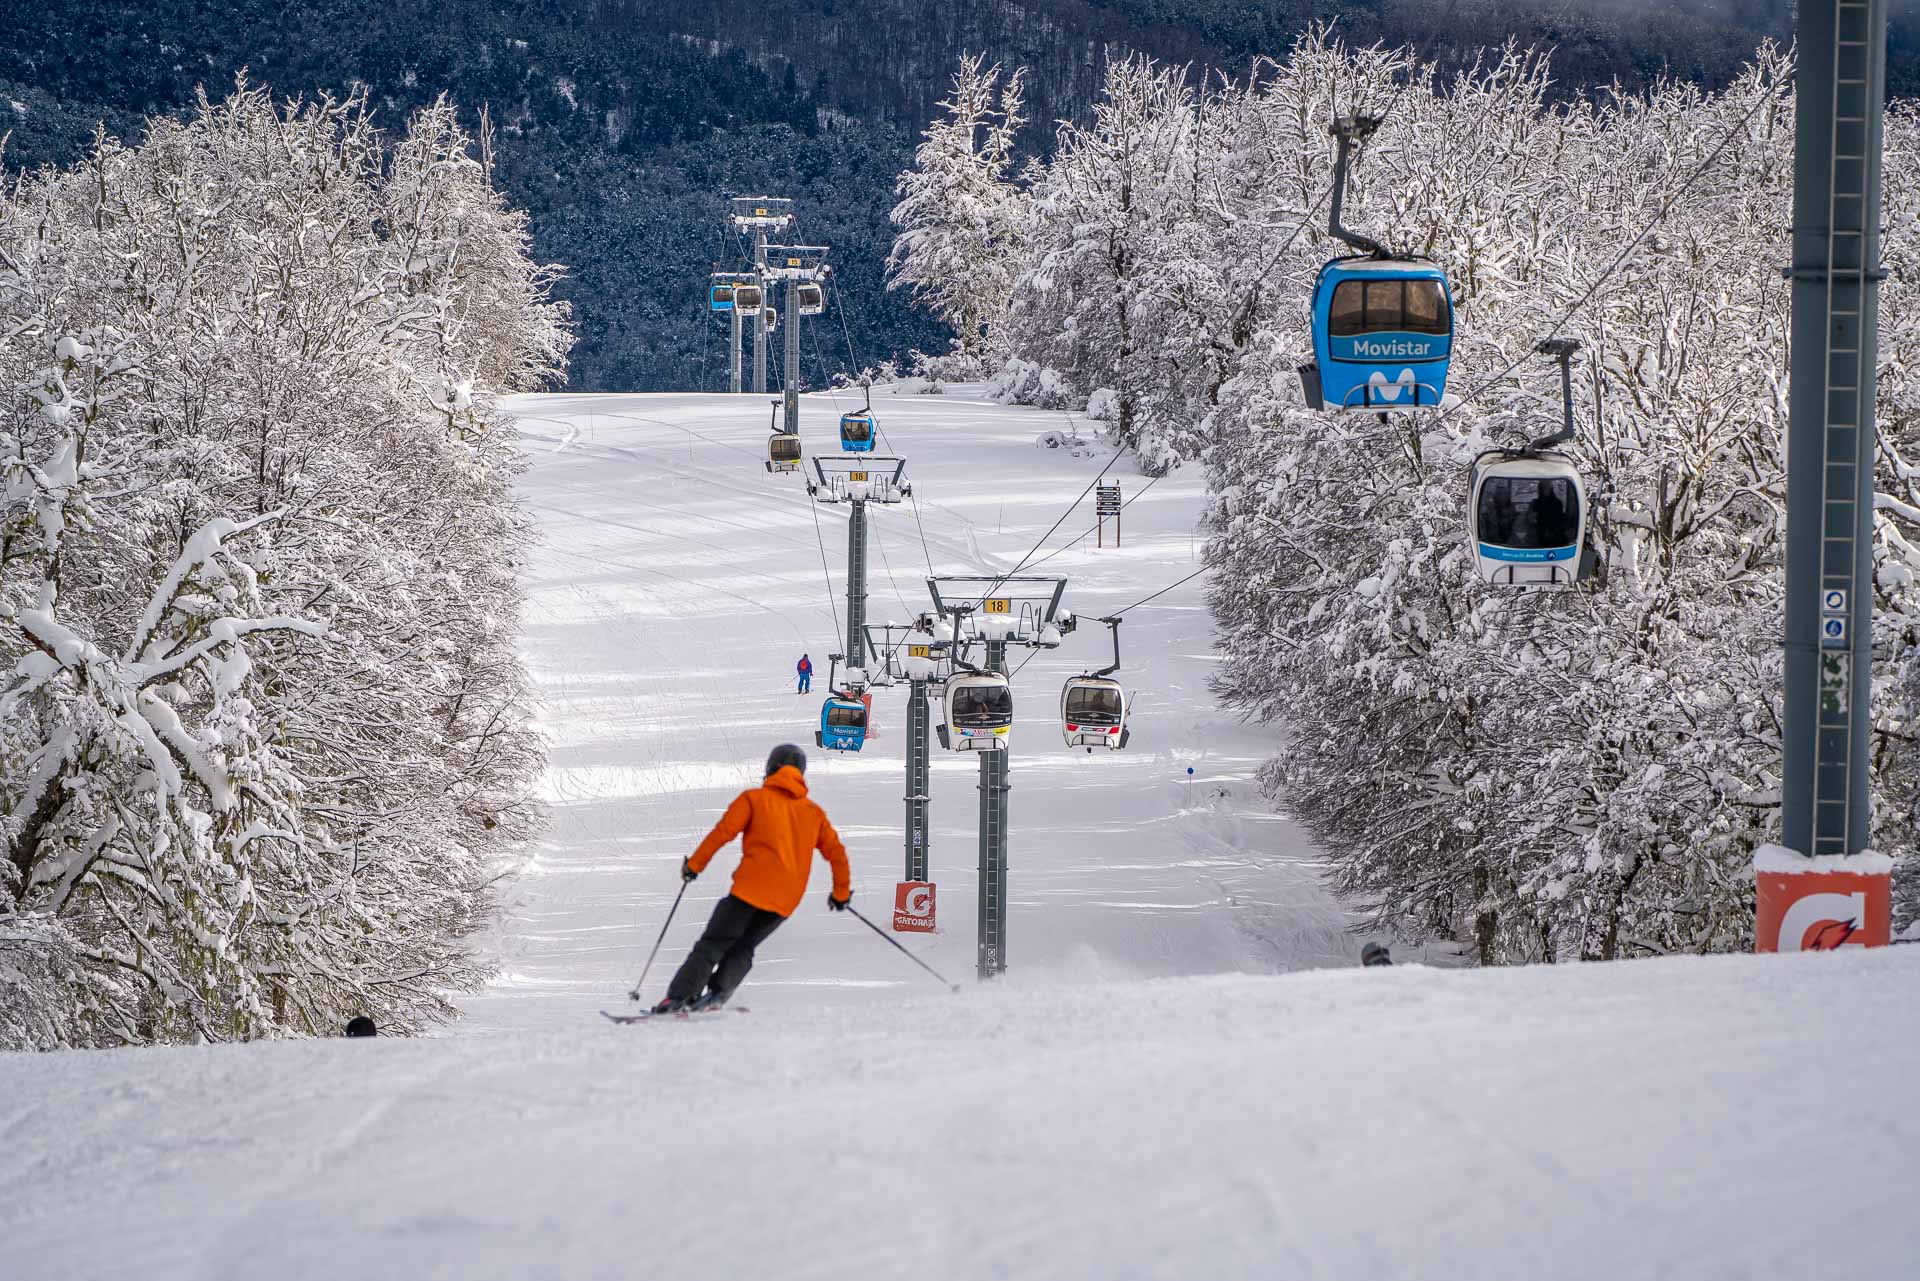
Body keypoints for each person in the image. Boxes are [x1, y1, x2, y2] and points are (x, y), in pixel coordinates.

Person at [654, 744, 851, 1013]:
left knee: (714, 942)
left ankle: (678, 999)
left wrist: (694, 866)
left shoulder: (754, 799)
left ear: (770, 768)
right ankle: (717, 995)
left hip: (749, 891)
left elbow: (722, 832)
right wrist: (841, 894)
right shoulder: (813, 813)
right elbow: (837, 854)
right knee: (744, 945)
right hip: (784, 902)